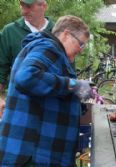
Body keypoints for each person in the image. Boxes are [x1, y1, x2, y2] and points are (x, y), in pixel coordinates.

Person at [0, 15, 93, 166]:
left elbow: (48, 93)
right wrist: (73, 85)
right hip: (31, 156)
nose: (81, 50)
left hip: (40, 153)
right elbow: (26, 77)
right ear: (66, 34)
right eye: (81, 44)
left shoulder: (53, 52)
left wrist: (78, 101)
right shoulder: (47, 47)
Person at [0, 0, 54, 115]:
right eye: (22, 6)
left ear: (43, 6)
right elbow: (1, 70)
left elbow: (68, 70)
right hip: (18, 106)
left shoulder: (57, 32)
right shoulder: (9, 32)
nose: (24, 11)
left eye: (29, 6)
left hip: (51, 105)